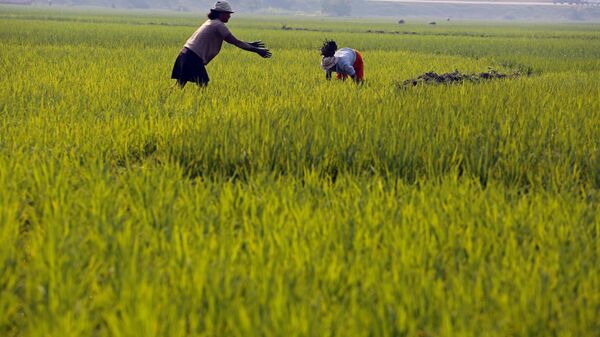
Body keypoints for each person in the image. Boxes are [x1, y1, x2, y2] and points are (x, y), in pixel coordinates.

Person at [171, 0, 272, 88]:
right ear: (221, 13)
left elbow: (234, 41)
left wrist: (251, 44)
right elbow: (236, 42)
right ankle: (200, 103)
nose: (229, 16)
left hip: (185, 54)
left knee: (180, 84)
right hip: (193, 57)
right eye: (228, 13)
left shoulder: (211, 22)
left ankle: (166, 98)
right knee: (203, 84)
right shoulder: (218, 25)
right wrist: (258, 50)